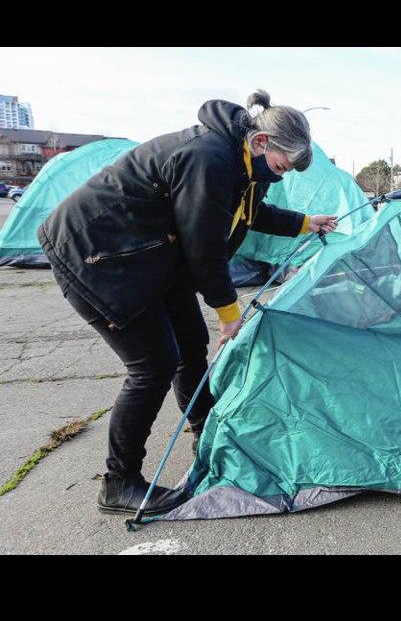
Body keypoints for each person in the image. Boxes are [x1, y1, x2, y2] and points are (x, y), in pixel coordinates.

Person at [37, 89, 339, 516]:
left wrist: (307, 223)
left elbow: (251, 212)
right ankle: (119, 482)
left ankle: (205, 430)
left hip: (150, 254)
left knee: (190, 342)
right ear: (260, 143)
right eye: (279, 167)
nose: (279, 177)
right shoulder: (210, 158)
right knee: (153, 364)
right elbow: (204, 248)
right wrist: (229, 314)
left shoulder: (240, 162)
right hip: (97, 255)